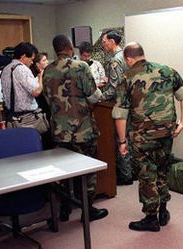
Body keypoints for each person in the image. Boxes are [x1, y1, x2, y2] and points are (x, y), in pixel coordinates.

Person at [112, 42, 183, 232]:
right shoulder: (167, 70)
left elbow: (120, 114)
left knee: (147, 174)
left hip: (142, 137)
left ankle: (151, 219)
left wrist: (122, 142)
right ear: (142, 54)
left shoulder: (126, 77)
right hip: (166, 133)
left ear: (128, 59)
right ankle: (163, 210)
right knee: (162, 169)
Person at [42, 34, 108, 222]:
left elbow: (48, 99)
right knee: (87, 170)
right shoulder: (81, 67)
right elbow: (94, 95)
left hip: (59, 131)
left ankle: (64, 208)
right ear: (70, 47)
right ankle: (87, 210)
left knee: (63, 171)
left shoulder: (47, 70)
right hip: (82, 129)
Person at [101, 30, 132, 185]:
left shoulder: (115, 60)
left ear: (112, 41)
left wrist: (98, 96)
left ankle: (125, 175)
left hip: (120, 104)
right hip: (130, 102)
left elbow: (113, 89)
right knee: (129, 138)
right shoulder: (126, 57)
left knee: (121, 139)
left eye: (104, 41)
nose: (103, 44)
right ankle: (131, 172)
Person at [1, 42, 43, 123]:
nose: (32, 62)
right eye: (31, 59)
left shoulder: (6, 68)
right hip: (26, 118)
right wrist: (40, 77)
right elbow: (36, 92)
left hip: (11, 116)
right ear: (23, 56)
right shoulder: (22, 69)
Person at [30, 52, 53, 150]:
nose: (47, 62)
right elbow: (37, 91)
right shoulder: (33, 77)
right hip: (40, 108)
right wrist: (40, 75)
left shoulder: (50, 74)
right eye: (44, 60)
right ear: (37, 64)